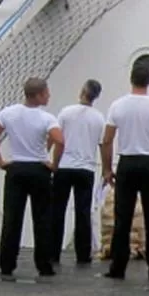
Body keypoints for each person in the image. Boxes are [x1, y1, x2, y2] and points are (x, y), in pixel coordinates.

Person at [100, 62, 149, 282]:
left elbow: (107, 140)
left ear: (130, 79)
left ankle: (118, 266)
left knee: (122, 217)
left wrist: (107, 168)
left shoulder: (117, 106)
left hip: (127, 162)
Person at [0, 78, 64, 282]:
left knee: (12, 219)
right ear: (38, 95)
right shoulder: (47, 118)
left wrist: (0, 161)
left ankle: (7, 264)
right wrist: (53, 163)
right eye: (46, 93)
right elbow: (60, 140)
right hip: (39, 169)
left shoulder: (8, 113)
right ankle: (44, 265)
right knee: (42, 219)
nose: (48, 96)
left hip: (16, 168)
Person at [50, 79, 105, 266]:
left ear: (82, 91)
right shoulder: (99, 118)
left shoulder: (66, 112)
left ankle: (53, 253)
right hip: (86, 169)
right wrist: (106, 168)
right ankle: (83, 254)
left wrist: (52, 163)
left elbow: (57, 140)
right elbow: (103, 145)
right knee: (83, 212)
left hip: (64, 166)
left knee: (57, 211)